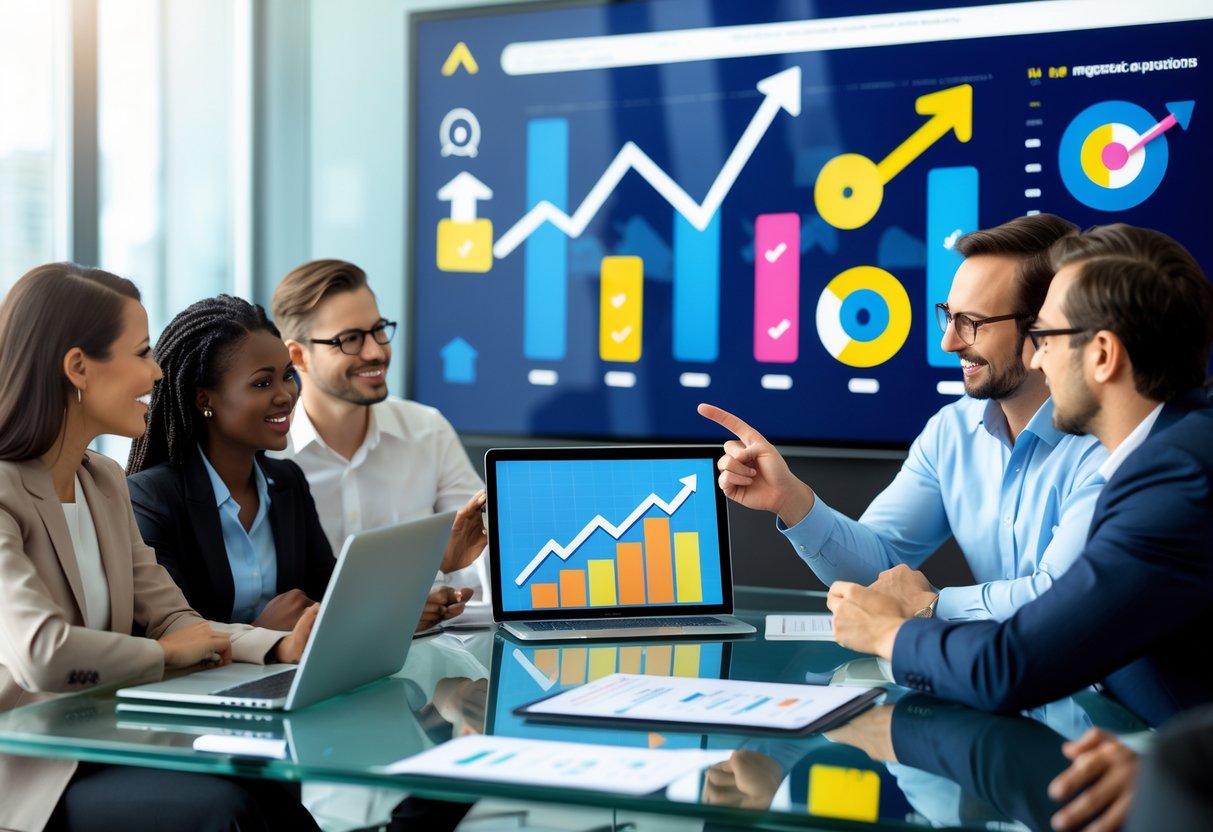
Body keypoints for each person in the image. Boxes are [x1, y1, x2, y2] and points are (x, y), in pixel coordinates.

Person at [828, 224, 1213, 728]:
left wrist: (890, 633)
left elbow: (1011, 666)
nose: (1035, 356)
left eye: (1046, 336)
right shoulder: (1173, 449)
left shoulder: (1174, 477)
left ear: (1101, 355)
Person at [0, 263, 318, 832]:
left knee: (266, 785)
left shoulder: (101, 480)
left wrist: (278, 647)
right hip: (28, 770)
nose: (156, 372)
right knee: (226, 810)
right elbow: (40, 654)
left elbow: (173, 617)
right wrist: (164, 656)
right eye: (142, 352)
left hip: (109, 740)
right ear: (78, 367)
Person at [701, 214, 1106, 622]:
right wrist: (791, 501)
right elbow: (880, 567)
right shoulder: (953, 431)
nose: (948, 342)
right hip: (1000, 675)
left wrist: (930, 604)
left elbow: (1063, 599)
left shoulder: (1110, 442)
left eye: (972, 323)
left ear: (1045, 327)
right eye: (950, 316)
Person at [270, 259, 486, 632]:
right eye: (350, 339)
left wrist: (438, 589)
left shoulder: (427, 430)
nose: (375, 352)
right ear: (298, 356)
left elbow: (479, 564)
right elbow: (278, 603)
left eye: (378, 330)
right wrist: (400, 601)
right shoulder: (270, 456)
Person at [126, 295, 335, 631]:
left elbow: (328, 590)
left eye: (287, 375)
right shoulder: (150, 499)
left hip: (291, 678)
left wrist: (397, 607)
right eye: (262, 383)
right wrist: (264, 634)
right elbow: (169, 631)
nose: (286, 394)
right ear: (204, 399)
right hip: (194, 683)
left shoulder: (288, 482)